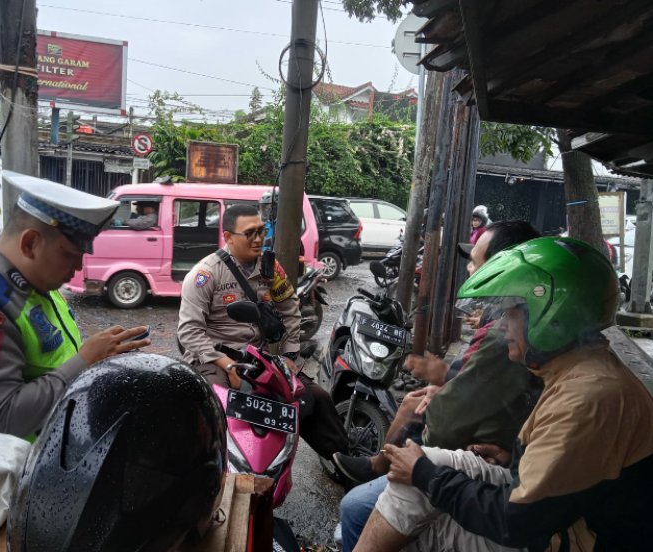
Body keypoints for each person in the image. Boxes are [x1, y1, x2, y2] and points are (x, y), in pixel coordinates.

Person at [354, 236, 653, 552]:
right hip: (557, 515)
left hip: (566, 537)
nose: (504, 325)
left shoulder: (587, 398)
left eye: (512, 313)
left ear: (551, 316)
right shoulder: (579, 371)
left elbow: (516, 521)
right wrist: (515, 459)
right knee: (414, 482)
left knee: (413, 528)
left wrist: (424, 474)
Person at [335, 220, 542, 551]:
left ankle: (381, 465)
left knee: (355, 508)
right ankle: (380, 464)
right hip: (494, 460)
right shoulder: (504, 326)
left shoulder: (507, 338)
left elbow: (448, 424)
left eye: (477, 262)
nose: (470, 271)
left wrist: (422, 466)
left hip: (471, 456)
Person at [0, 171, 152, 440]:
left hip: (40, 458)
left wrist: (98, 358)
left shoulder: (36, 286)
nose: (77, 267)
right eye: (69, 254)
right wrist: (85, 360)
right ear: (30, 243)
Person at [178, 203, 349, 461]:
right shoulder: (205, 274)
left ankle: (344, 460)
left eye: (262, 230)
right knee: (217, 404)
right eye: (250, 233)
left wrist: (290, 355)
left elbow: (291, 309)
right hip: (214, 359)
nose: (258, 238)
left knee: (314, 398)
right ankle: (211, 467)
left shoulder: (270, 269)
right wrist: (226, 365)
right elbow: (189, 332)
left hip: (255, 359)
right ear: (228, 237)